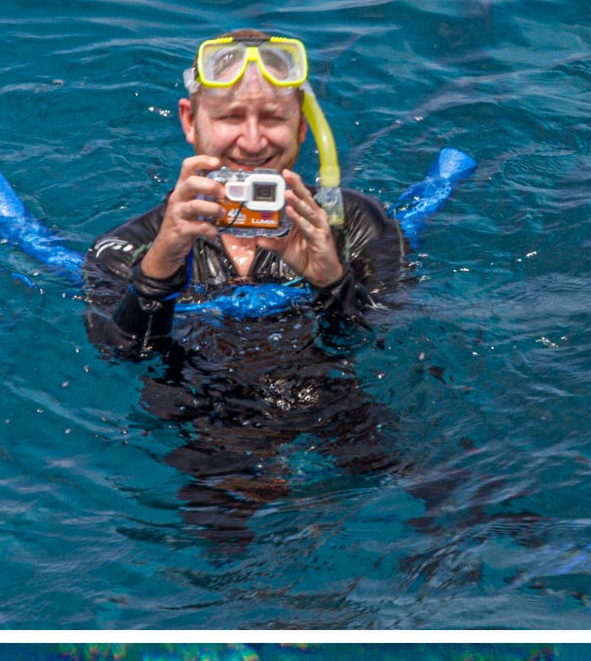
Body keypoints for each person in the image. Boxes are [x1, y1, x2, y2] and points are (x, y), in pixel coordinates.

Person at [82, 32, 416, 547]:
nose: (254, 142)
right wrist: (162, 264)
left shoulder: (356, 225)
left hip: (336, 398)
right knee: (225, 557)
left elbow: (393, 339)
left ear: (303, 127)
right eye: (231, 117)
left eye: (274, 119)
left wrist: (330, 279)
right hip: (203, 412)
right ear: (191, 122)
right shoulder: (128, 247)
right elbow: (121, 354)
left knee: (444, 498)